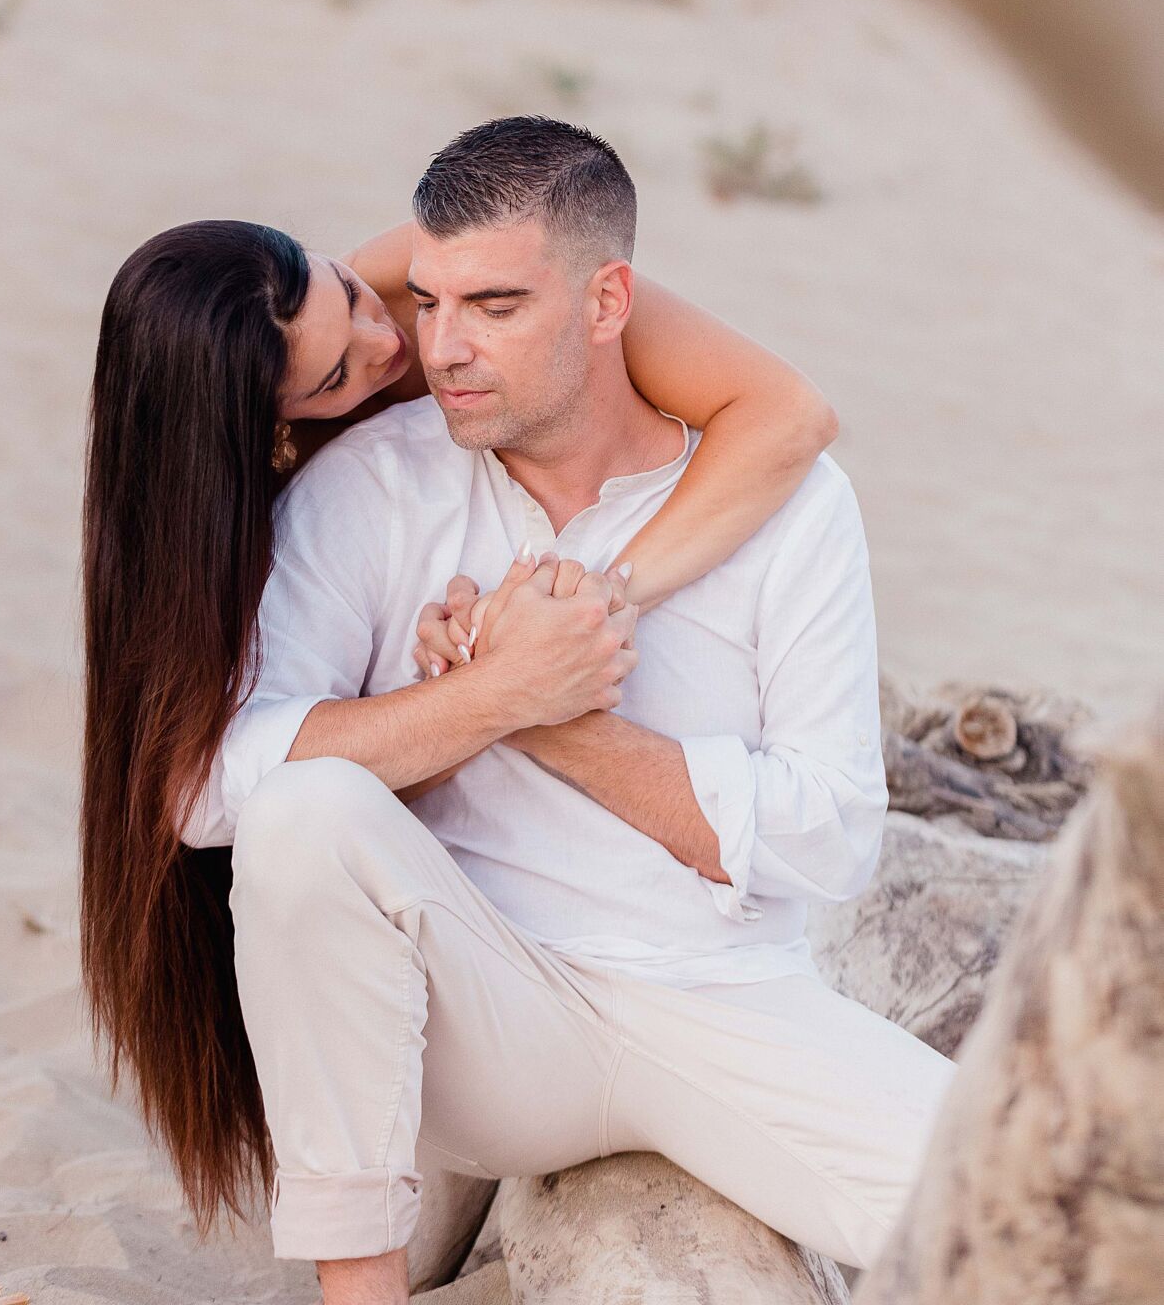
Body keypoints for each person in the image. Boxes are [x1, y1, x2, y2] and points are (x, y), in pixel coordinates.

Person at [168, 118, 955, 1305]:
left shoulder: (790, 506)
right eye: (426, 301)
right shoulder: (368, 486)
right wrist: (476, 698)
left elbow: (831, 834)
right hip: (486, 1022)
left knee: (1056, 1214)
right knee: (304, 811)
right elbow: (214, 784)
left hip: (722, 997)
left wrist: (556, 715)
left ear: (607, 302)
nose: (439, 348)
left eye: (494, 306)